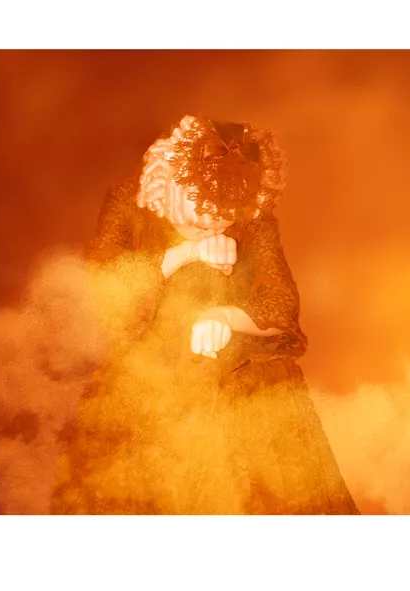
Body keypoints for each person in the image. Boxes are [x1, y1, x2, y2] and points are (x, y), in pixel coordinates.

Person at [51, 114, 359, 515]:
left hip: (242, 393)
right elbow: (107, 292)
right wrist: (186, 254)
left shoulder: (253, 219)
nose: (213, 222)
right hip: (144, 393)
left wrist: (225, 316)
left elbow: (281, 304)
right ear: (167, 176)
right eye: (201, 209)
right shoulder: (128, 203)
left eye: (224, 214)